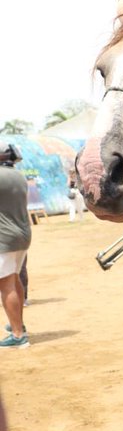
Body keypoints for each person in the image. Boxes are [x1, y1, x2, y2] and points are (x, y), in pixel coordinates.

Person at [0, 142, 32, 350]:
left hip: (4, 238)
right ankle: (17, 325)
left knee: (6, 285)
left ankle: (18, 335)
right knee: (15, 279)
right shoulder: (18, 176)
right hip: (22, 236)